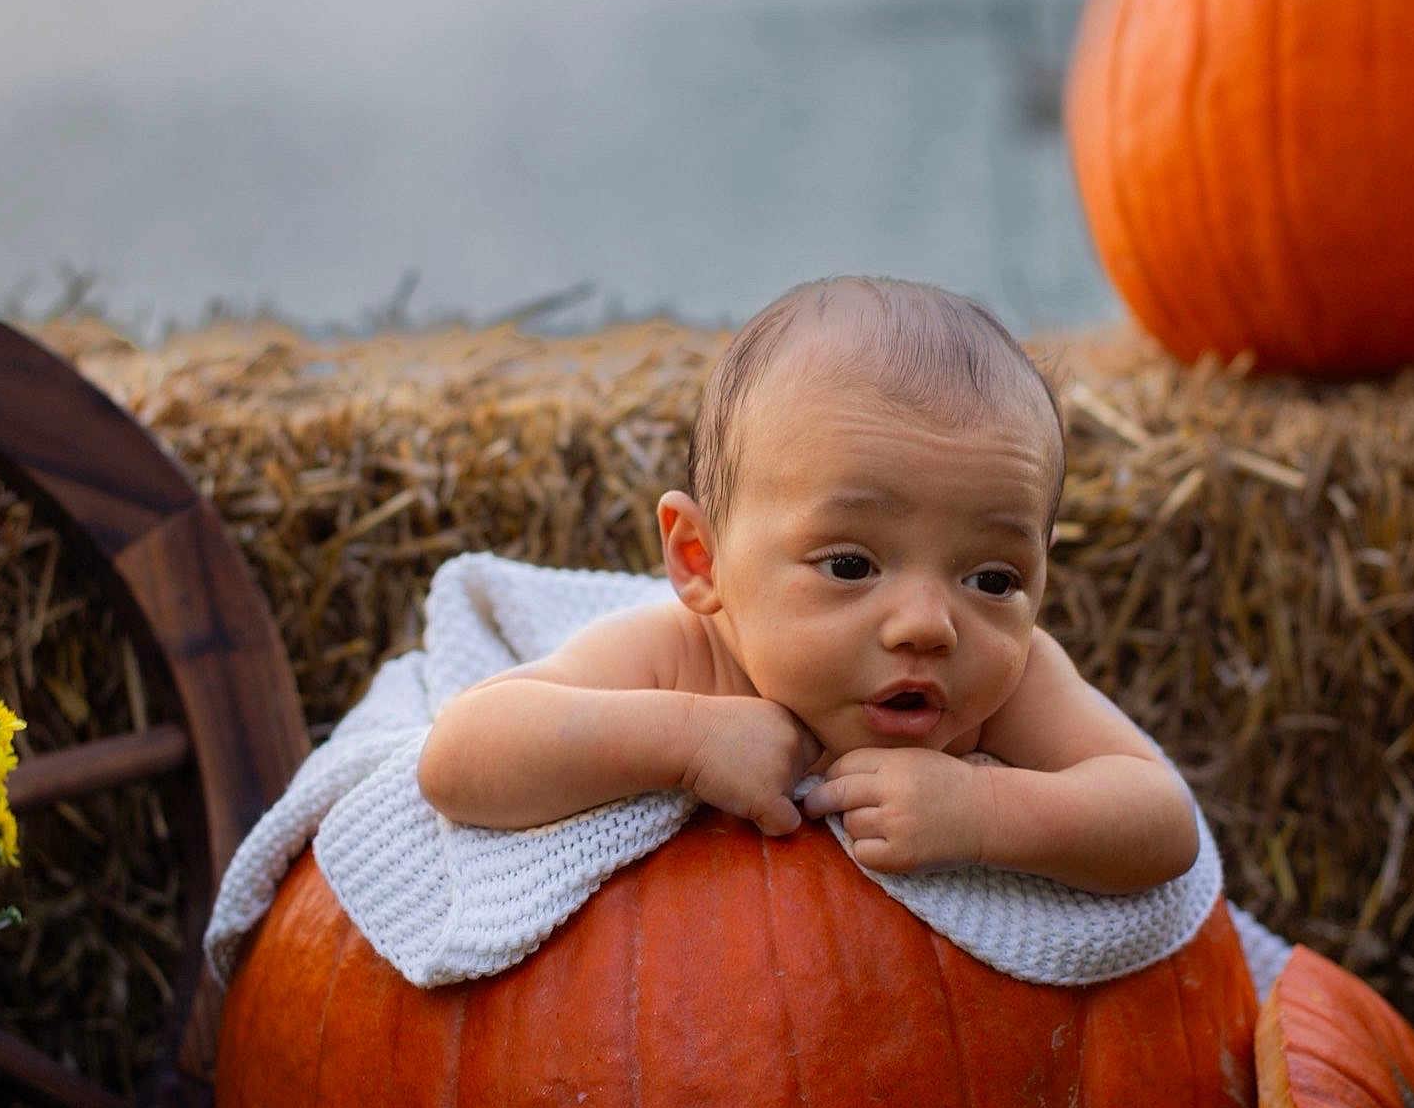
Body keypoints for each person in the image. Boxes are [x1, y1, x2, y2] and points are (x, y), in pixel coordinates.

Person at [417, 276, 1198, 893]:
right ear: (701, 561)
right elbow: (460, 756)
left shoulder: (1013, 688)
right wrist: (685, 740)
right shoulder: (682, 657)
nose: (929, 625)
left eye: (992, 579)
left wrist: (985, 813)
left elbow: (1161, 822)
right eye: (851, 566)